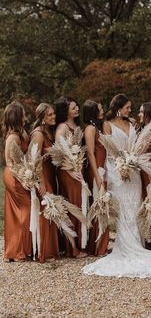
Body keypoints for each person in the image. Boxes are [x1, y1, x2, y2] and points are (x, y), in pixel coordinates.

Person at [82, 94, 151, 278]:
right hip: (117, 170)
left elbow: (136, 145)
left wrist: (132, 162)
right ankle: (124, 245)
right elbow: (108, 151)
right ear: (118, 108)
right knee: (123, 208)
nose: (130, 111)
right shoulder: (107, 125)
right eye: (128, 107)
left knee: (135, 207)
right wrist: (116, 168)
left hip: (135, 171)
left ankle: (137, 244)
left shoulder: (132, 124)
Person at [55, 96, 87, 258]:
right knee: (72, 205)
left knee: (79, 204)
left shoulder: (76, 126)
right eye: (73, 107)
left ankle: (81, 243)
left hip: (78, 169)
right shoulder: (62, 128)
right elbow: (59, 155)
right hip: (68, 172)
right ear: (65, 110)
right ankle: (71, 248)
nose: (77, 109)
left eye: (77, 107)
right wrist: (70, 171)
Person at [2, 101, 32, 261]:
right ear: (17, 116)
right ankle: (17, 251)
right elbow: (10, 163)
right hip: (14, 175)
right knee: (25, 210)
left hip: (22, 172)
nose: (26, 116)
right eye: (23, 114)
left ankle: (17, 250)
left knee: (19, 212)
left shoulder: (22, 132)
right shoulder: (12, 137)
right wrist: (24, 178)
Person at [30, 103, 60, 262]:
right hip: (43, 176)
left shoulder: (48, 132)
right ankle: (43, 251)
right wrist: (41, 183)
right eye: (49, 115)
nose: (53, 117)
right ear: (42, 117)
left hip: (50, 174)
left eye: (53, 114)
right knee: (45, 209)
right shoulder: (38, 134)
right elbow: (34, 160)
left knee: (51, 209)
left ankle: (51, 250)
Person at [83, 99, 109, 255]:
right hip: (96, 170)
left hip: (102, 169)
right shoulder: (90, 129)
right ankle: (98, 246)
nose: (103, 110)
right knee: (98, 205)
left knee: (103, 205)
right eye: (100, 109)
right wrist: (97, 176)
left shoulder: (98, 128)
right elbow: (90, 153)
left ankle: (102, 244)